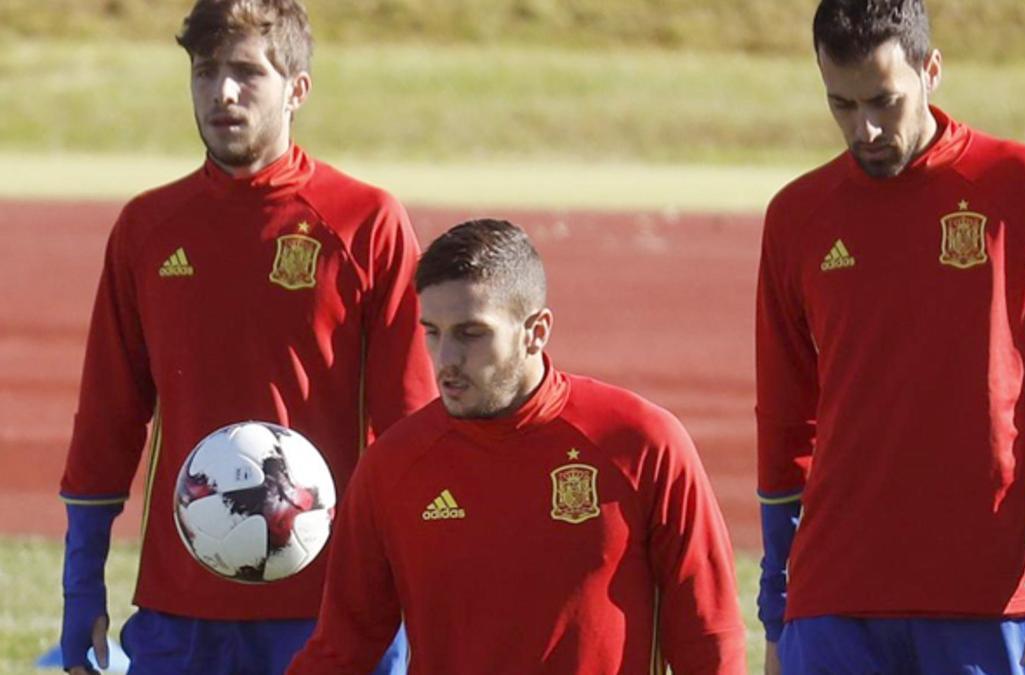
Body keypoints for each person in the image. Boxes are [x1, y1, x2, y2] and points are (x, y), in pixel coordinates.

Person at [57, 1, 436, 672]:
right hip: (180, 609)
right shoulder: (148, 227)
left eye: (246, 72)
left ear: (298, 90)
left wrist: (426, 591)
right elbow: (107, 419)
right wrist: (80, 581)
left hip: (332, 608)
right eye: (205, 72)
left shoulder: (364, 222)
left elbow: (410, 428)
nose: (222, 92)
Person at [755, 1, 1025, 674]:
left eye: (882, 102)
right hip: (833, 599)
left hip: (987, 596)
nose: (863, 128)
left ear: (932, 71)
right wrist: (779, 613)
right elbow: (784, 432)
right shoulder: (795, 219)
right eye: (840, 104)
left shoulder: (1023, 187)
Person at [287, 219, 747, 674]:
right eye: (433, 331)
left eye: (471, 333)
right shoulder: (393, 466)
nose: (446, 360)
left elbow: (708, 636)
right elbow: (342, 649)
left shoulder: (641, 444)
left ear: (536, 330)